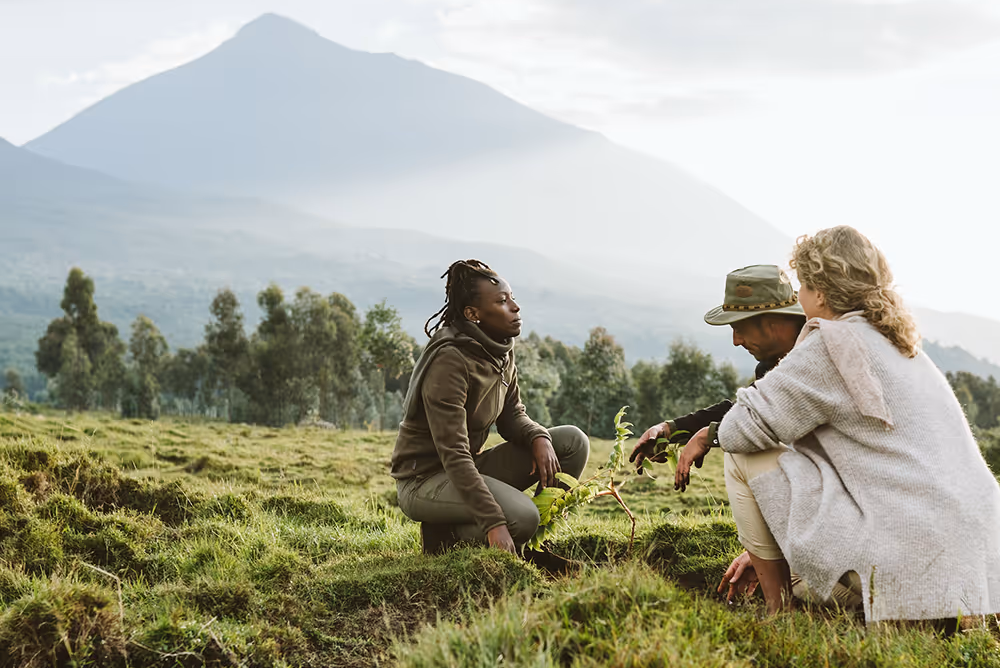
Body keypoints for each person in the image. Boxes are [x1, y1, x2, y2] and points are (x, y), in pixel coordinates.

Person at [697, 226, 1000, 621]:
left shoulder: (831, 343)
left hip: (909, 553)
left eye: (803, 285)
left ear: (820, 292)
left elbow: (740, 428)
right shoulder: (902, 345)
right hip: (977, 558)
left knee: (740, 454)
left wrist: (707, 433)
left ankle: (777, 612)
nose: (799, 297)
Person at [391, 259, 590, 556]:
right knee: (522, 517)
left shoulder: (500, 350)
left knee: (573, 443)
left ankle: (534, 545)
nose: (515, 307)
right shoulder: (450, 361)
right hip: (425, 481)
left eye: (512, 297)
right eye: (501, 301)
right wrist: (494, 521)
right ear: (473, 314)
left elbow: (512, 416)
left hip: (466, 467)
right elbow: (454, 454)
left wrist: (538, 437)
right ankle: (446, 536)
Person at [630, 264, 806, 474]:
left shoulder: (815, 354)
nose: (736, 341)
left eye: (740, 329)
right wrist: (669, 430)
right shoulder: (773, 364)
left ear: (772, 323)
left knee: (741, 456)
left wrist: (710, 435)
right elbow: (744, 409)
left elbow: (771, 417)